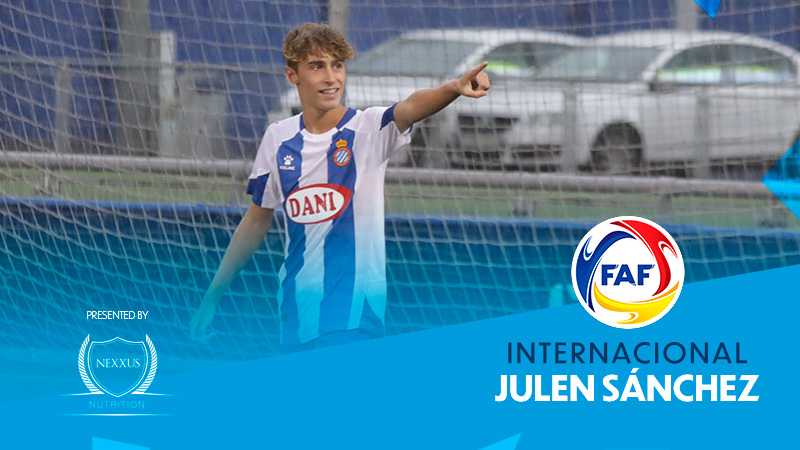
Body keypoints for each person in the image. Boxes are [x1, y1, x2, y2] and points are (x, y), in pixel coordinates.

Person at [190, 23, 490, 351]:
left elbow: (410, 107)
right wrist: (212, 298)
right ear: (293, 75)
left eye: (337, 65)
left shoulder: (367, 129)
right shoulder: (278, 138)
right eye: (317, 66)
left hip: (355, 315)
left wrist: (453, 88)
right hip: (296, 310)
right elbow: (255, 221)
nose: (331, 77)